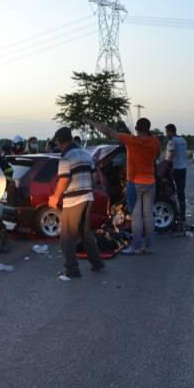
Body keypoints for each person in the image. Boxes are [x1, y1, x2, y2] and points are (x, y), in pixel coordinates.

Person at [89, 118, 161, 255]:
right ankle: (149, 246)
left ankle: (136, 247)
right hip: (150, 182)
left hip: (135, 182)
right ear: (149, 128)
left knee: (136, 216)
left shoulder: (131, 140)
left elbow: (109, 132)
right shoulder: (155, 142)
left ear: (136, 128)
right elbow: (156, 157)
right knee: (148, 215)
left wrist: (93, 123)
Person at [48, 127, 104, 278]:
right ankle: (97, 263)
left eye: (58, 142)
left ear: (60, 142)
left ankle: (72, 270)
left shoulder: (66, 156)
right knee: (85, 233)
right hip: (88, 197)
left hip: (73, 200)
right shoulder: (86, 154)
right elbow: (94, 177)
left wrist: (55, 197)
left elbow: (64, 178)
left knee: (66, 237)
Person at [165, 123, 188, 228]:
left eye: (166, 132)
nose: (166, 134)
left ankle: (174, 212)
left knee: (170, 191)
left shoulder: (172, 141)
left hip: (175, 169)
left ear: (171, 131)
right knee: (181, 192)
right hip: (183, 169)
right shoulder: (183, 140)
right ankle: (182, 215)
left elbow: (171, 155)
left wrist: (165, 165)